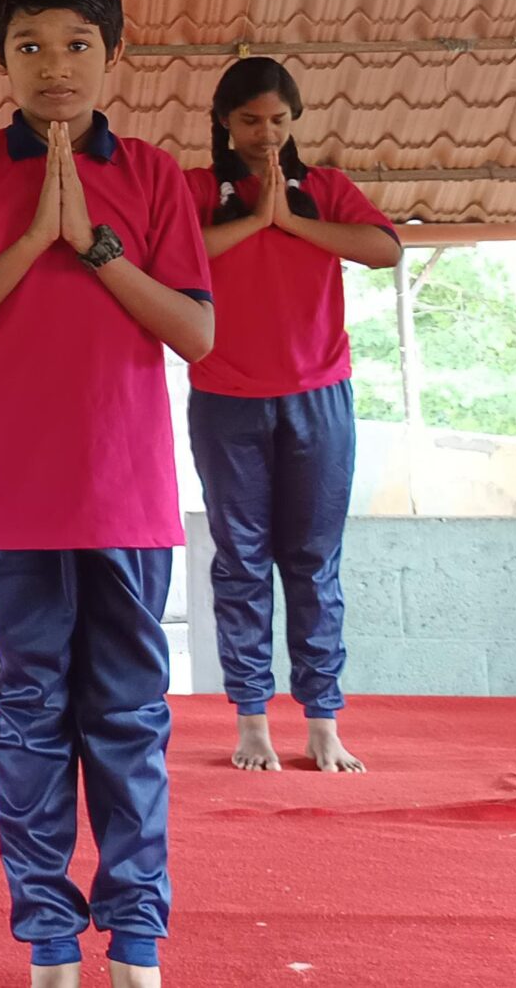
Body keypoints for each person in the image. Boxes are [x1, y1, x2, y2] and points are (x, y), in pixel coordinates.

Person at [0, 0, 212, 988]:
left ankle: (134, 940)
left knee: (129, 715)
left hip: (129, 496)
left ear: (112, 54)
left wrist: (94, 245)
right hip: (13, 497)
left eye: (77, 44)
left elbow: (198, 333)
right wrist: (36, 233)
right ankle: (46, 940)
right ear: (0, 58)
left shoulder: (155, 176)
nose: (55, 66)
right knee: (31, 715)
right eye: (30, 45)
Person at [181, 57, 398, 772]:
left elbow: (385, 250)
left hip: (319, 395)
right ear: (224, 122)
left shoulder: (326, 190)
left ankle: (322, 719)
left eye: (278, 120)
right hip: (226, 399)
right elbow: (170, 258)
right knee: (241, 559)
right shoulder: (196, 190)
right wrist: (255, 220)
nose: (265, 134)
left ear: (294, 120)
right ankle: (251, 719)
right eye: (249, 121)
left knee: (313, 560)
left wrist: (293, 222)